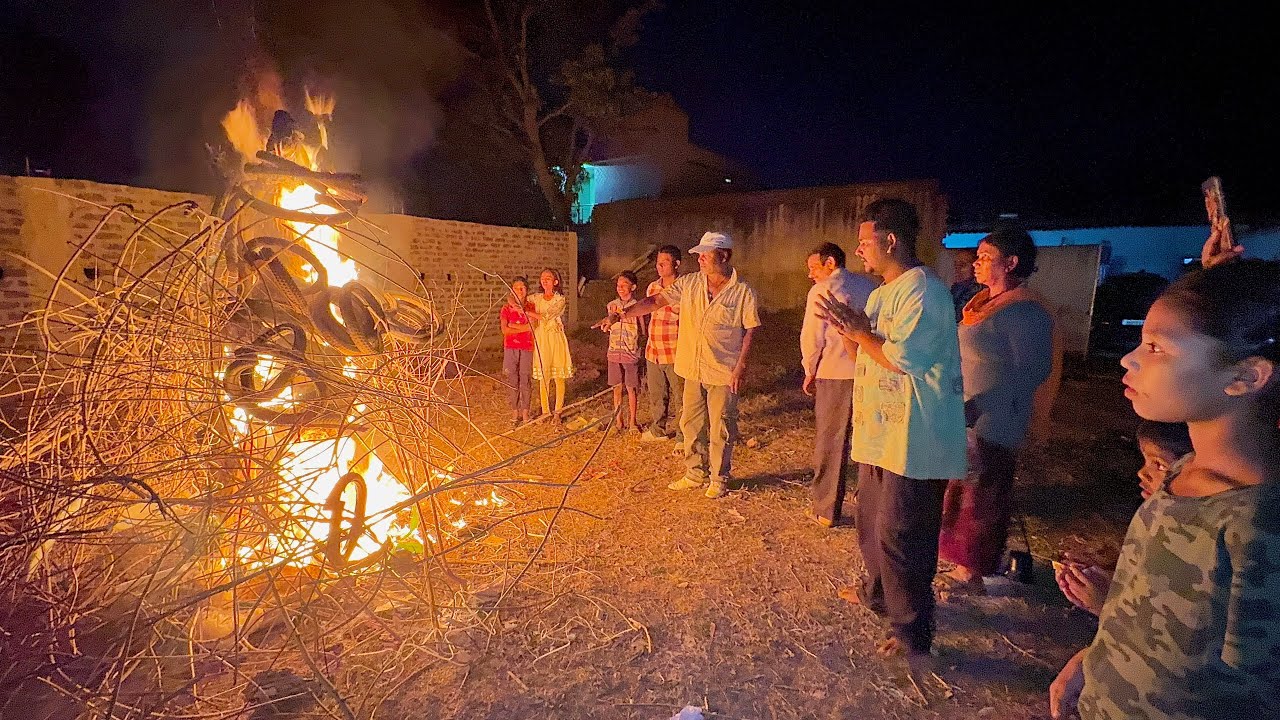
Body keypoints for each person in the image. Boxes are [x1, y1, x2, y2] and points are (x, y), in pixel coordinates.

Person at [1049, 258, 1280, 719]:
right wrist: (1096, 655)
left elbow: (1251, 695)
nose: (1128, 359)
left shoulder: (1259, 527)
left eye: (1155, 348)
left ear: (1246, 377)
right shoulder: (1183, 472)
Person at [816, 199, 966, 672]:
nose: (859, 251)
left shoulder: (925, 292)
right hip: (882, 432)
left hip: (916, 439)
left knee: (904, 534)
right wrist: (847, 326)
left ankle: (913, 631)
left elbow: (904, 359)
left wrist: (860, 331)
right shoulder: (882, 293)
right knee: (873, 527)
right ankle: (880, 597)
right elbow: (864, 349)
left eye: (864, 242)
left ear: (890, 240)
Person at [936, 225, 1057, 592]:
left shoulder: (1024, 312)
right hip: (967, 413)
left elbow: (1034, 370)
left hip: (994, 419)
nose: (976, 263)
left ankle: (972, 573)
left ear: (1011, 263)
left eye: (986, 257)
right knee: (959, 494)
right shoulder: (982, 304)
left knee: (982, 497)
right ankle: (960, 565)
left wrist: (985, 404)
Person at [605, 231, 761, 500]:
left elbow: (750, 329)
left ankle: (719, 478)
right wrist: (624, 314)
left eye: (705, 254)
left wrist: (741, 366)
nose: (699, 259)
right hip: (692, 367)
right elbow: (656, 301)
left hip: (722, 370)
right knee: (691, 423)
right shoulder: (690, 284)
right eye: (698, 254)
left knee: (721, 426)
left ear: (723, 256)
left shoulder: (742, 291)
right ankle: (694, 473)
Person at [1055, 420, 1192, 616]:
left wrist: (1104, 605)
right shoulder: (1154, 520)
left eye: (1159, 465)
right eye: (1146, 461)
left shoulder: (1188, 542)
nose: (1142, 473)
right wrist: (1106, 582)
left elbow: (1157, 630)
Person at [800, 242, 875, 527]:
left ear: (830, 263)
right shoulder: (868, 286)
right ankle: (868, 503)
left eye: (813, 268)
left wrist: (809, 368)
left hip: (834, 372)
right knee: (868, 440)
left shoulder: (822, 291)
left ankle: (826, 509)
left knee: (832, 442)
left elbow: (812, 336)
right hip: (869, 369)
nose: (810, 275)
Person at [640, 245, 684, 444]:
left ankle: (684, 435)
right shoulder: (653, 287)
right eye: (658, 263)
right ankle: (658, 429)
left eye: (664, 263)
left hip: (675, 350)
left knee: (680, 395)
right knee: (657, 393)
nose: (660, 266)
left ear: (676, 264)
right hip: (654, 350)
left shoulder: (684, 289)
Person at [596, 271, 643, 432]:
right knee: (617, 387)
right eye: (618, 285)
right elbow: (609, 323)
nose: (620, 288)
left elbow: (642, 329)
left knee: (631, 388)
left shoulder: (638, 306)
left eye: (624, 285)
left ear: (633, 286)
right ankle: (618, 421)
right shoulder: (612, 306)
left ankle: (632, 422)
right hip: (615, 351)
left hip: (630, 352)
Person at [530, 267, 574, 424]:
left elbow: (548, 316)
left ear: (555, 282)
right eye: (542, 278)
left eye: (548, 278)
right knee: (544, 376)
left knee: (558, 376)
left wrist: (528, 312)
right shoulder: (536, 298)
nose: (545, 280)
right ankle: (545, 411)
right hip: (541, 339)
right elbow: (517, 298)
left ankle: (557, 412)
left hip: (555, 338)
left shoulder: (559, 300)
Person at [499, 276, 535, 428]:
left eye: (523, 288)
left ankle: (526, 412)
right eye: (516, 288)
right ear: (511, 290)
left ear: (527, 290)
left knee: (525, 379)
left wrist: (515, 326)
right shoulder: (506, 309)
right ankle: (515, 412)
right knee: (513, 381)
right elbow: (505, 330)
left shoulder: (531, 307)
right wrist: (521, 327)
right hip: (511, 348)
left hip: (527, 347)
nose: (520, 291)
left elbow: (533, 326)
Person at [949, 247, 982, 321]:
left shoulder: (978, 292)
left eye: (962, 265)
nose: (957, 269)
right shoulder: (955, 289)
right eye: (956, 265)